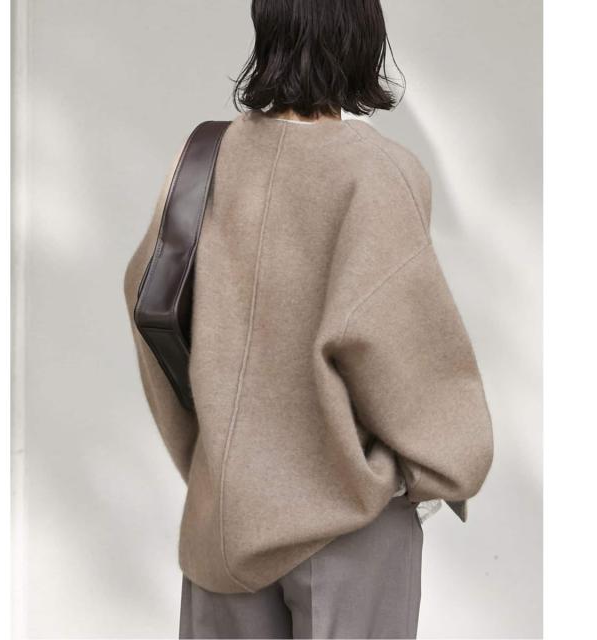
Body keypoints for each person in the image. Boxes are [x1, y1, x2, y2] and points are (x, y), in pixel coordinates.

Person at [123, 1, 493, 637]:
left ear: (269, 31)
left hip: (225, 524)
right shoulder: (377, 171)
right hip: (346, 523)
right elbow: (404, 349)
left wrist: (215, 457)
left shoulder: (203, 161)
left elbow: (150, 306)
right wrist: (434, 469)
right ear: (362, 36)